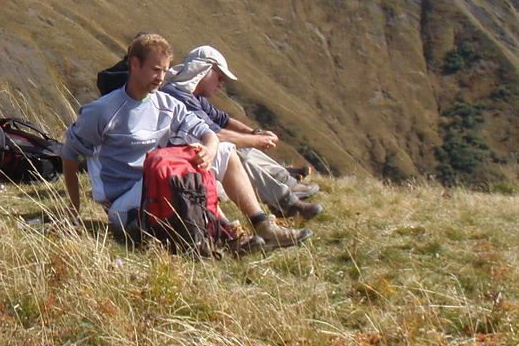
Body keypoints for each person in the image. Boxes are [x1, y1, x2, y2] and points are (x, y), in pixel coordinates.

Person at [61, 32, 309, 249]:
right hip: (123, 203)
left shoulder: (166, 104)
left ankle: (261, 225)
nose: (161, 77)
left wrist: (211, 150)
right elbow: (69, 154)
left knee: (224, 150)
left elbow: (208, 132)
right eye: (155, 69)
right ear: (135, 65)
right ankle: (226, 234)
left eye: (165, 70)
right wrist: (73, 211)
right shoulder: (103, 111)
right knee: (177, 172)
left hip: (160, 184)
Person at [162, 45, 324, 220]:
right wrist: (257, 141)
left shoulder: (194, 96)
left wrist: (254, 133)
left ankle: (285, 184)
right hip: (183, 166)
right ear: (204, 71)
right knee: (231, 148)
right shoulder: (177, 96)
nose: (221, 84)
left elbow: (223, 120)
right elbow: (217, 135)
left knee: (240, 145)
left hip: (194, 159)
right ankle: (284, 202)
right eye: (219, 77)